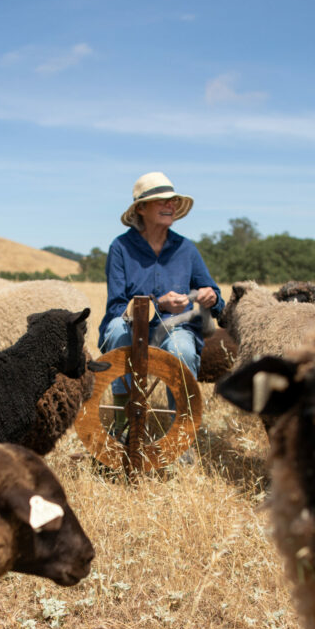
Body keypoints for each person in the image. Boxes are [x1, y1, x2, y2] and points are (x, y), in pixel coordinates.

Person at [98, 173, 224, 446]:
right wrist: (157, 304)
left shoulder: (186, 249)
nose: (170, 206)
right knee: (117, 330)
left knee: (184, 350)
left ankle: (181, 434)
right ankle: (123, 423)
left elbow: (214, 293)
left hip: (175, 326)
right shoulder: (120, 248)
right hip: (131, 326)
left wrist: (210, 296)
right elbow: (117, 306)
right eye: (161, 201)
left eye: (173, 201)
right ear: (140, 209)